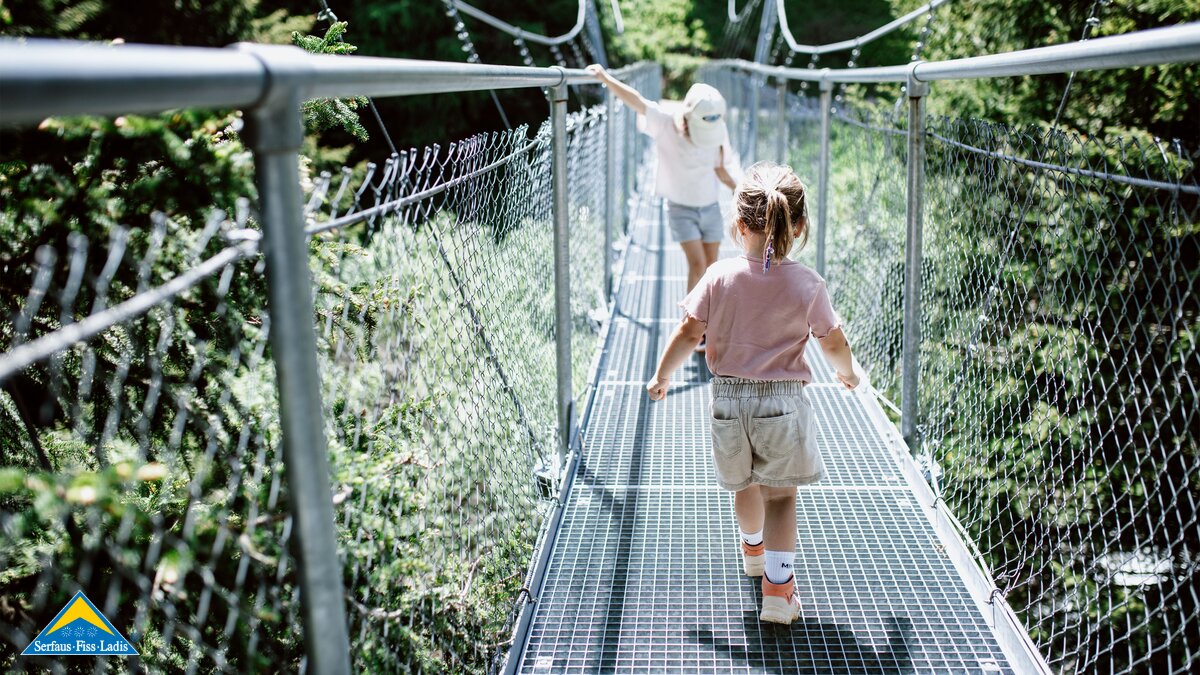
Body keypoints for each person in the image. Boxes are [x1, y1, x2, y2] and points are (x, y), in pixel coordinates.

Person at [645, 162, 860, 625]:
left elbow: (688, 332)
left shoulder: (719, 276)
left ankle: (753, 551)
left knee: (745, 485)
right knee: (781, 496)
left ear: (738, 225)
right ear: (798, 227)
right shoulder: (807, 284)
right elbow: (833, 341)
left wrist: (663, 375)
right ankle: (779, 593)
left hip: (727, 400)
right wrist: (846, 373)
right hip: (782, 402)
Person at [587, 64, 737, 351]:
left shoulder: (715, 126)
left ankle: (707, 321)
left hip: (709, 206)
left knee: (712, 268)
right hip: (681, 208)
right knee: (697, 265)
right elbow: (637, 102)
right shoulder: (667, 122)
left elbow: (719, 168)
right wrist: (606, 78)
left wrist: (740, 189)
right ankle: (693, 326)